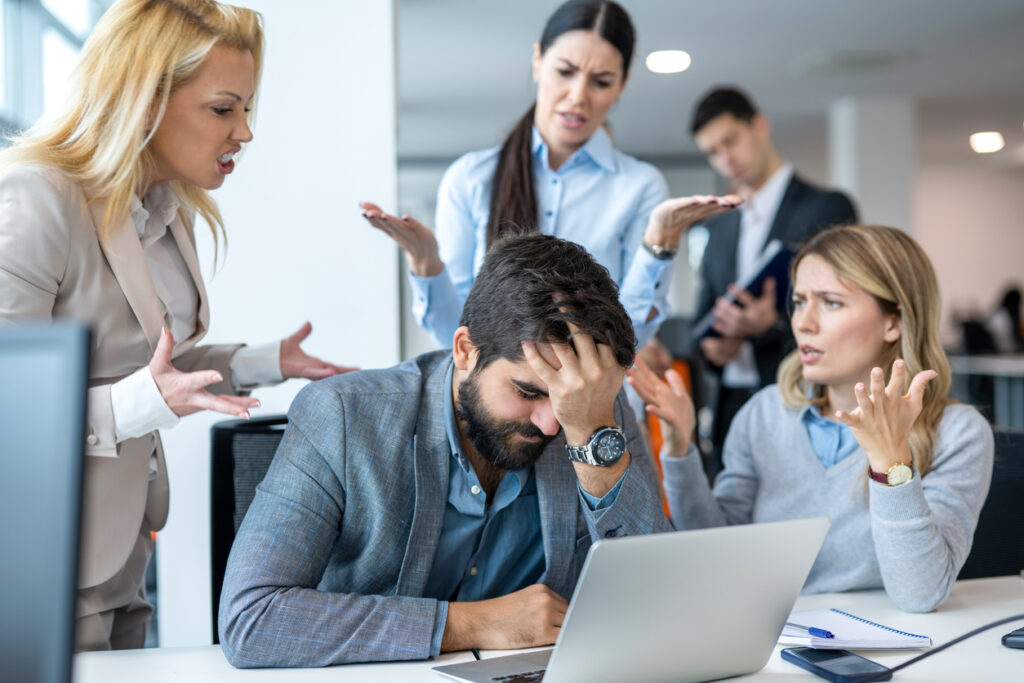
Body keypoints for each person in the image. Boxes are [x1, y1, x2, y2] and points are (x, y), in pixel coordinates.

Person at [0, 0, 350, 650]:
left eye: (246, 108)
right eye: (223, 108)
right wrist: (142, 404)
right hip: (33, 561)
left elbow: (152, 362)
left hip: (123, 552)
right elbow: (11, 413)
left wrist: (266, 360)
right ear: (144, 100)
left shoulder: (165, 209)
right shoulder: (35, 201)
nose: (244, 131)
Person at [218, 234, 672, 667]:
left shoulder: (591, 412)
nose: (552, 422)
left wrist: (592, 438)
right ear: (465, 350)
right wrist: (468, 624)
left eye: (565, 402)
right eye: (528, 390)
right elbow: (251, 618)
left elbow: (663, 601)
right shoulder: (343, 416)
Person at [628, 224, 993, 613]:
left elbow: (920, 593)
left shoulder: (958, 433)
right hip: (767, 639)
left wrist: (891, 463)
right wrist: (680, 449)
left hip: (895, 646)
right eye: (800, 301)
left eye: (831, 302)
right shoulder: (764, 414)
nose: (803, 323)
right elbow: (715, 553)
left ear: (894, 322)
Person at [361, 0, 738, 350]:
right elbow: (455, 338)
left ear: (622, 85)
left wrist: (661, 240)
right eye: (565, 71)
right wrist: (426, 262)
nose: (578, 96)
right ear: (538, 60)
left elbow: (629, 341)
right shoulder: (471, 179)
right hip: (494, 416)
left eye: (601, 81)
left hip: (593, 413)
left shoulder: (639, 187)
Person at [689, 86, 858, 477]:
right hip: (731, 406)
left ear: (759, 126)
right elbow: (701, 320)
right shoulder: (718, 228)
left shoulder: (827, 207)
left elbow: (846, 307)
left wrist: (773, 325)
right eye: (712, 152)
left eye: (731, 141)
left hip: (801, 398)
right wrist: (713, 348)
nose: (725, 159)